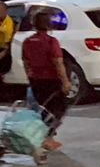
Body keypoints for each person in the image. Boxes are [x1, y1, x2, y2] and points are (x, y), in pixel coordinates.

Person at [22, 9, 69, 151]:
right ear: (49, 24)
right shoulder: (51, 41)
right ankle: (48, 138)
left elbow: (26, 62)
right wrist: (65, 81)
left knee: (42, 108)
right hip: (51, 80)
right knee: (58, 108)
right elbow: (58, 62)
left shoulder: (27, 42)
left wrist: (30, 77)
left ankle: (45, 136)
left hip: (36, 80)